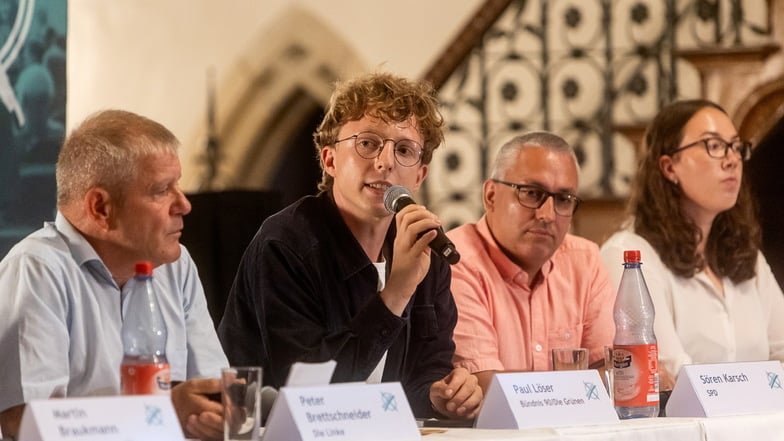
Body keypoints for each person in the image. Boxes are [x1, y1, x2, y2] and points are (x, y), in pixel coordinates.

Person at [218, 72, 482, 419]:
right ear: (329, 161)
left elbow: (423, 371)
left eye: (403, 150)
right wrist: (396, 293)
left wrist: (439, 395)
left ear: (419, 175)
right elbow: (311, 394)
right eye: (368, 144)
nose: (385, 162)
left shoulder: (424, 248)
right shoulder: (285, 243)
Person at [0, 110, 229, 440]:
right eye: (162, 190)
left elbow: (211, 389)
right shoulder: (37, 270)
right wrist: (161, 413)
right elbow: (26, 423)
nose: (184, 204)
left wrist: (213, 412)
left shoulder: (175, 267)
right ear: (101, 208)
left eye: (178, 185)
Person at [600, 99, 784, 390]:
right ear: (669, 167)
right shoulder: (630, 256)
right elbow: (672, 375)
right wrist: (761, 387)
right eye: (714, 146)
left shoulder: (747, 256)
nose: (731, 159)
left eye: (736, 147)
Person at [446, 132, 616, 393]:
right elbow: (486, 389)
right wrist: (580, 388)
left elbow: (618, 373)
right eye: (531, 193)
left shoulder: (585, 261)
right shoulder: (456, 262)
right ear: (491, 195)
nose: (547, 215)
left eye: (563, 199)